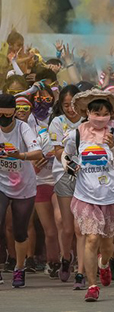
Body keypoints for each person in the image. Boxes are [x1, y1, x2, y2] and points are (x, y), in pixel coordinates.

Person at [64, 90, 114, 302]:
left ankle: (104, 264)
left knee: (107, 244)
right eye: (97, 113)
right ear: (88, 112)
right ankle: (92, 285)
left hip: (112, 196)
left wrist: (112, 148)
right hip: (86, 196)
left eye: (105, 113)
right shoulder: (75, 134)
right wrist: (69, 166)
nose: (101, 117)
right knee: (91, 238)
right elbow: (66, 155)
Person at [15, 96, 60, 279]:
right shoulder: (25, 133)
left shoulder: (48, 131)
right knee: (49, 230)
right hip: (39, 184)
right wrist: (35, 166)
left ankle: (65, 259)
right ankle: (52, 262)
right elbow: (25, 165)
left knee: (63, 224)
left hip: (58, 183)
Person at [0, 94, 42, 287]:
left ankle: (19, 267)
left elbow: (38, 152)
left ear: (14, 114)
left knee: (19, 231)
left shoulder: (22, 127)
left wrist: (20, 155)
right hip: (1, 183)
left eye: (7, 116)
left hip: (24, 185)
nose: (3, 121)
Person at [49, 85, 84, 287]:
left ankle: (80, 272)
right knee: (67, 226)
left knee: (81, 228)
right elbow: (57, 151)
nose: (70, 109)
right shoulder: (57, 122)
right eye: (65, 105)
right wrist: (71, 166)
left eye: (73, 104)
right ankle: (65, 258)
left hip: (87, 177)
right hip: (64, 175)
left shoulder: (87, 121)